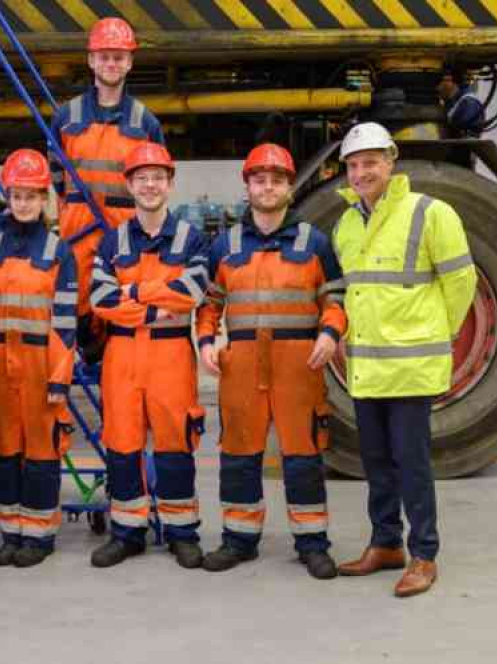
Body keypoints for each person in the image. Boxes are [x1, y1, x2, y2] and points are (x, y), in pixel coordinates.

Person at [330, 122, 477, 597]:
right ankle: (386, 543)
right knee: (375, 462)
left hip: (412, 366)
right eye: (353, 165)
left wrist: (441, 331)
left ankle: (424, 555)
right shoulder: (347, 223)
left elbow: (460, 283)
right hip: (368, 369)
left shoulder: (430, 213)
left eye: (370, 162)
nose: (361, 172)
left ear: (390, 162)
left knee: (411, 462)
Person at [196, 144, 347, 580]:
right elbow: (209, 303)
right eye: (259, 179)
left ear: (288, 188)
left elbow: (335, 299)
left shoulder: (314, 242)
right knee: (239, 455)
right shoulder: (224, 244)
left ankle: (313, 544)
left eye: (277, 180)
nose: (268, 186)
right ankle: (238, 541)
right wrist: (206, 340)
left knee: (303, 457)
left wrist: (330, 332)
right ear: (248, 186)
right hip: (240, 363)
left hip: (297, 364)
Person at [88, 142, 208, 570]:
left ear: (170, 183)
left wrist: (134, 293)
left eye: (158, 177)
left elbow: (191, 294)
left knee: (176, 443)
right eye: (142, 178)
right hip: (121, 354)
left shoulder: (191, 237)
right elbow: (101, 299)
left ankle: (182, 533)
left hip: (171, 354)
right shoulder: (112, 241)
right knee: (122, 443)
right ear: (129, 184)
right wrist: (159, 302)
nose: (150, 185)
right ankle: (127, 532)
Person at [0, 149, 78, 569]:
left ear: (44, 199)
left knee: (41, 451)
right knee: (2, 450)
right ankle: (11, 532)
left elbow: (66, 320)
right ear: (7, 196)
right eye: (16, 195)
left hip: (40, 363)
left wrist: (59, 379)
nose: (23, 203)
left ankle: (39, 536)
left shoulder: (59, 251)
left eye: (32, 195)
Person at [49, 17, 164, 361]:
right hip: (78, 228)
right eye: (104, 56)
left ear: (129, 62)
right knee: (81, 302)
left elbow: (156, 181)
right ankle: (90, 346)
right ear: (91, 60)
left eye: (118, 57)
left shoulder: (145, 122)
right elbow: (57, 177)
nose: (111, 64)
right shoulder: (66, 117)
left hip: (125, 228)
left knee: (125, 302)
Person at [437, 70, 485, 136]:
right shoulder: (452, 101)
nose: (438, 88)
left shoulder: (468, 102)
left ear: (452, 83)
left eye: (441, 84)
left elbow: (466, 128)